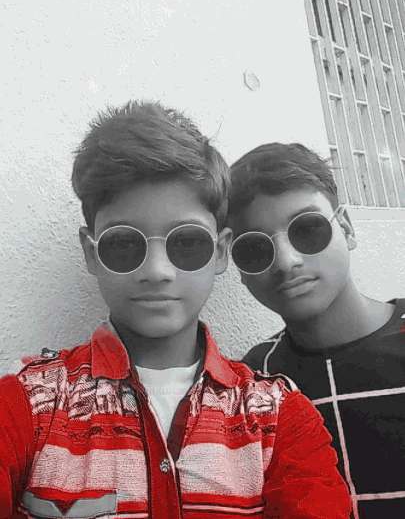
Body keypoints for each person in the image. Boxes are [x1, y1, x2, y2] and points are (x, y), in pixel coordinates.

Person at [0, 105, 351, 519]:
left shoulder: (277, 417)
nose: (157, 271)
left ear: (220, 252)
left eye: (186, 242)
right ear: (91, 253)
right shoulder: (27, 404)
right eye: (124, 244)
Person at [227, 142, 405, 519]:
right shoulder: (252, 383)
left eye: (307, 229)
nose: (286, 261)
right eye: (254, 248)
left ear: (346, 228)